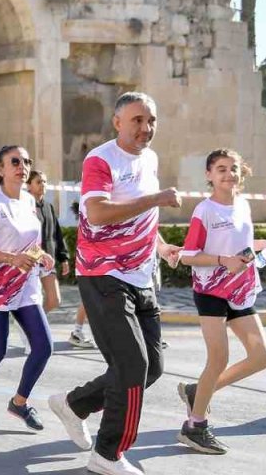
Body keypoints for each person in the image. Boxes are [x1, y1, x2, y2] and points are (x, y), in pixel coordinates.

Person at [47, 91, 182, 475]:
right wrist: (156, 198)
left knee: (151, 367)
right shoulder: (100, 159)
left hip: (141, 276)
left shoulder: (150, 158)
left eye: (151, 120)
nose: (146, 128)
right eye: (138, 120)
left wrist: (161, 246)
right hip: (104, 274)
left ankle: (74, 404)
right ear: (118, 123)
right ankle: (108, 453)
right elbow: (99, 212)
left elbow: (141, 216)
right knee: (131, 364)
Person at [171, 149, 266, 453]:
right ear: (209, 175)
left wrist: (262, 246)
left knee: (261, 357)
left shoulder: (242, 205)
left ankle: (198, 391)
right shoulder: (204, 210)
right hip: (211, 292)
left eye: (233, 169)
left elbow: (240, 247)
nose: (228, 174)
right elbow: (188, 255)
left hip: (240, 291)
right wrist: (222, 260)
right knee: (218, 359)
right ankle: (194, 427)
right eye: (221, 169)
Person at [0, 146, 54, 432]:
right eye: (14, 162)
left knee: (44, 346)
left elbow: (29, 243)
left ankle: (19, 402)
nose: (22, 166)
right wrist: (10, 259)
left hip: (25, 285)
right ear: (1, 169)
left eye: (26, 162)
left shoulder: (29, 200)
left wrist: (41, 256)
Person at [27, 170, 93, 349]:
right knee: (31, 300)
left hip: (48, 261)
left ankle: (30, 324)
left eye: (45, 182)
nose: (43, 185)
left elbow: (57, 234)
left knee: (54, 300)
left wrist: (63, 257)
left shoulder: (48, 207)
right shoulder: (24, 205)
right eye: (38, 182)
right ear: (29, 186)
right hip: (30, 260)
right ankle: (31, 330)